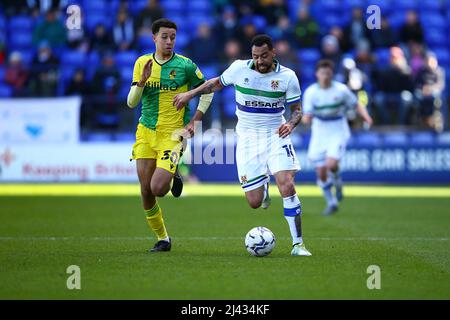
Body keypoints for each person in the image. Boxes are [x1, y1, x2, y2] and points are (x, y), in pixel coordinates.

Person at [173, 34, 312, 257]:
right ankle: (263, 189)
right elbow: (214, 84)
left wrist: (292, 124)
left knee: (286, 184)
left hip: (276, 135)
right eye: (255, 56)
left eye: (264, 56)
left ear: (273, 53)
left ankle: (298, 245)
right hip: (248, 140)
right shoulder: (239, 68)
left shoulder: (288, 77)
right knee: (254, 202)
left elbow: (297, 110)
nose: (259, 61)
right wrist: (190, 94)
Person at [126, 19, 213, 252]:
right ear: (154, 37)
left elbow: (208, 91)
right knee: (145, 191)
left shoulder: (185, 65)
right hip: (146, 131)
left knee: (158, 189)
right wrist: (142, 82)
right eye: (164, 36)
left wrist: (195, 120)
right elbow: (131, 103)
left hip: (173, 134)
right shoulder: (142, 63)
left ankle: (173, 174)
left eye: (173, 37)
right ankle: (163, 238)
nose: (169, 41)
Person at [302, 59, 372, 215]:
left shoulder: (341, 90)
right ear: (317, 74)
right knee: (320, 171)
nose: (325, 76)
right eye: (322, 73)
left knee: (331, 164)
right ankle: (331, 202)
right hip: (320, 130)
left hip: (337, 128)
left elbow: (356, 104)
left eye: (328, 73)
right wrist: (306, 119)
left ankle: (338, 183)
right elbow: (307, 115)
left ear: (331, 74)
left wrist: (366, 117)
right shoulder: (311, 93)